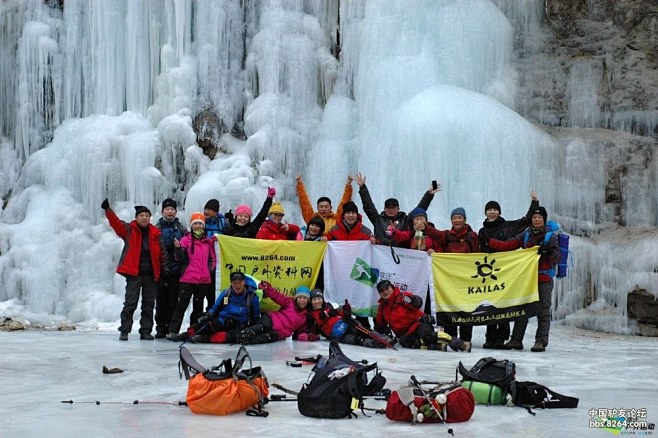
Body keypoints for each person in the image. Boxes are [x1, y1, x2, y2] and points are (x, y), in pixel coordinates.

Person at [486, 206, 560, 352]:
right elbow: (509, 244)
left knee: (543, 310)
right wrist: (491, 242)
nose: (537, 220)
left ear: (544, 219)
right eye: (534, 217)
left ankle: (540, 341)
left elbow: (557, 257)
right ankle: (516, 340)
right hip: (527, 279)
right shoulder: (526, 234)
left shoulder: (551, 237)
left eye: (539, 217)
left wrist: (547, 253)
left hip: (543, 278)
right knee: (521, 309)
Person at [478, 191, 539, 349]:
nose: (492, 212)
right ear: (485, 212)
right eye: (489, 209)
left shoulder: (508, 226)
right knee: (489, 304)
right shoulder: (482, 231)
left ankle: (502, 336)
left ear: (499, 212)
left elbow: (526, 221)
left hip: (506, 271)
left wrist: (534, 202)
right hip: (489, 272)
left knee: (503, 303)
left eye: (495, 209)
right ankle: (490, 336)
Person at [101, 199, 165, 341]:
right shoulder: (129, 230)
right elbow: (116, 224)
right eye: (141, 215)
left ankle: (146, 331)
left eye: (147, 216)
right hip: (134, 274)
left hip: (151, 275)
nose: (144, 218)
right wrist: (108, 210)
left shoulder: (155, 233)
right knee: (130, 304)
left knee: (148, 305)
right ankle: (124, 330)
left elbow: (162, 253)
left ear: (150, 218)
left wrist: (163, 272)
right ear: (136, 217)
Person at [425, 207, 480, 344]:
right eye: (454, 218)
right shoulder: (448, 235)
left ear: (465, 219)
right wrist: (424, 227)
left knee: (467, 308)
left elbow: (478, 254)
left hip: (466, 278)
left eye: (459, 217)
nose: (457, 220)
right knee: (450, 306)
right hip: (449, 278)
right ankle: (451, 338)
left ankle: (466, 339)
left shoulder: (472, 236)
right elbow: (435, 234)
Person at [373, 280, 471, 352]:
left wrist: (413, 300)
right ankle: (438, 346)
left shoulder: (401, 297)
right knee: (404, 342)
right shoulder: (382, 307)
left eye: (387, 289)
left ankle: (461, 344)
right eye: (382, 291)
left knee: (427, 335)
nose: (385, 292)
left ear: (392, 287)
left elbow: (418, 303)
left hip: (419, 324)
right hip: (406, 333)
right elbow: (380, 325)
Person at [323, 201, 375, 328]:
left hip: (358, 269)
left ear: (357, 215)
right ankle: (340, 321)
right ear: (343, 215)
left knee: (360, 294)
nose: (351, 215)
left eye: (353, 213)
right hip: (341, 269)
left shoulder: (365, 231)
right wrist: (324, 239)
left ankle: (363, 321)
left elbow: (374, 249)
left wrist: (374, 241)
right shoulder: (335, 230)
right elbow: (327, 240)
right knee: (342, 295)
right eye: (348, 213)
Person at [166, 212, 217, 340]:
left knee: (198, 308)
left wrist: (209, 270)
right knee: (181, 305)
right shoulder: (185, 240)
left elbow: (213, 258)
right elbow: (179, 258)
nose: (198, 226)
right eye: (195, 223)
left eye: (200, 223)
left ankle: (194, 332)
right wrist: (177, 248)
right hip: (187, 279)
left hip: (203, 280)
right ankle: (172, 331)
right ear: (192, 225)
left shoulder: (208, 242)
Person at [354, 172, 441, 246]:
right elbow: (368, 206)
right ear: (384, 209)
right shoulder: (378, 219)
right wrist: (363, 187)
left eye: (393, 208)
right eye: (388, 208)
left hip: (403, 255)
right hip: (380, 256)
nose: (391, 210)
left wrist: (429, 194)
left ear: (398, 209)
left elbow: (420, 209)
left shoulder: (406, 219)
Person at [179, 271, 261, 343]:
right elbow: (216, 307)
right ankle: (185, 335)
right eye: (235, 283)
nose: (237, 286)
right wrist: (209, 315)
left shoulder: (252, 297)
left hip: (238, 325)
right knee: (206, 325)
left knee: (227, 336)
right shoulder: (226, 293)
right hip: (223, 320)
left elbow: (255, 317)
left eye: (240, 282)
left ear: (244, 282)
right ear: (231, 283)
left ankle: (204, 339)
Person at [154, 198, 188, 338]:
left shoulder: (181, 228)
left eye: (172, 209)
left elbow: (188, 246)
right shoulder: (156, 229)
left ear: (176, 211)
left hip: (176, 271)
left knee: (174, 301)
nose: (170, 211)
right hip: (161, 270)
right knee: (161, 301)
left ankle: (171, 328)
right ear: (162, 211)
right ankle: (160, 328)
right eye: (167, 209)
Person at [235, 282, 312, 344]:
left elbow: (302, 330)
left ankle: (247, 341)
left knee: (266, 337)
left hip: (280, 332)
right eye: (300, 297)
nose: (302, 300)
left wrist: (303, 335)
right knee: (262, 326)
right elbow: (277, 296)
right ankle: (245, 333)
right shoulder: (289, 302)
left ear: (308, 300)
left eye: (305, 298)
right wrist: (267, 288)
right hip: (272, 319)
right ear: (296, 298)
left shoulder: (305, 317)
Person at [308, 289, 388, 348]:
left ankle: (385, 339)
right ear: (311, 302)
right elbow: (318, 322)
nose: (317, 301)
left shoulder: (328, 306)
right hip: (337, 335)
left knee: (364, 331)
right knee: (357, 340)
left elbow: (339, 313)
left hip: (346, 324)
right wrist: (326, 315)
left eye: (319, 299)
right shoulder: (312, 314)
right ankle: (375, 344)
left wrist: (345, 309)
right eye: (314, 299)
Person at [202, 199, 226, 311]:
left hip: (220, 261)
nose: (206, 212)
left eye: (209, 210)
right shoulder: (201, 222)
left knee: (219, 288)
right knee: (208, 291)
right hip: (205, 261)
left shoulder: (223, 222)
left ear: (216, 212)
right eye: (205, 209)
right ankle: (209, 311)